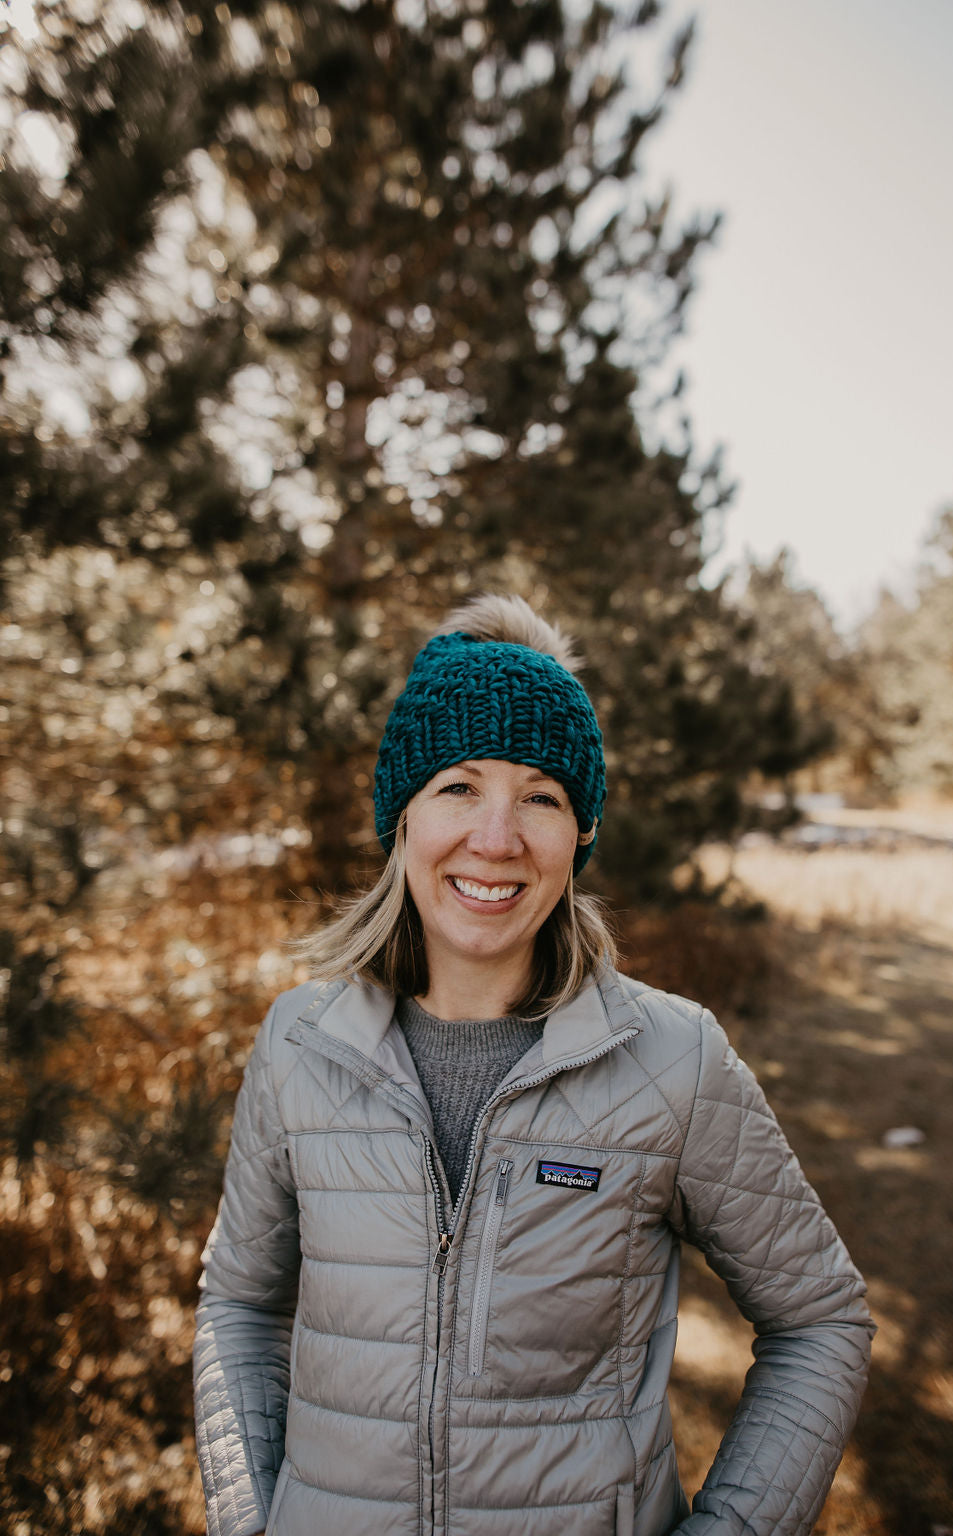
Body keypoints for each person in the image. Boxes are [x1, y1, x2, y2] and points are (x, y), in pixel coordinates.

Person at [193, 593, 874, 1536]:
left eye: (541, 797)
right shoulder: (298, 1045)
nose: (497, 838)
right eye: (459, 786)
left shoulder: (673, 1062)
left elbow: (820, 1320)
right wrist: (249, 1517)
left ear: (579, 834)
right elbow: (240, 1301)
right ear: (403, 817)